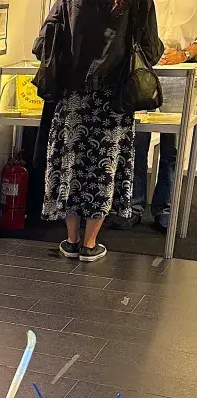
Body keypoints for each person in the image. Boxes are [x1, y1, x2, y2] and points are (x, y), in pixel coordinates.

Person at [36, 0, 162, 262]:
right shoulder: (138, 2)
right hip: (113, 99)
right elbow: (151, 50)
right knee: (103, 167)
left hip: (72, 96)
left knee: (70, 164)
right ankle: (90, 243)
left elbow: (42, 44)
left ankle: (71, 240)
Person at [118, 0, 196, 231]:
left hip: (182, 74)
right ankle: (133, 206)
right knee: (138, 140)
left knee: (172, 146)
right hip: (144, 70)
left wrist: (184, 53)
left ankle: (165, 208)